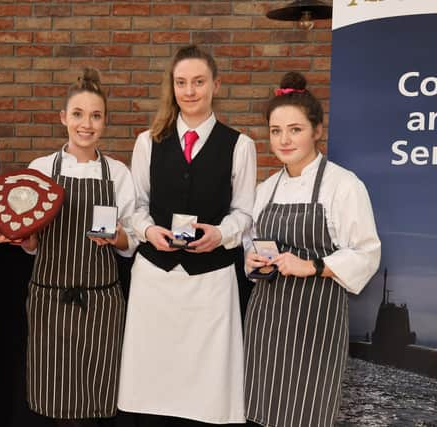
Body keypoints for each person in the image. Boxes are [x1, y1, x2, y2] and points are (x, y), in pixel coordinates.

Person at [118, 45, 256, 426]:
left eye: (198, 82)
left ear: (216, 85)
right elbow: (136, 206)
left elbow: (245, 212)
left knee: (207, 390)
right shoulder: (148, 141)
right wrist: (148, 230)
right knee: (152, 382)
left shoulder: (240, 145)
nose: (190, 91)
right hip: (155, 279)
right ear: (172, 86)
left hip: (211, 282)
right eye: (181, 83)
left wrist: (221, 234)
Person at [243, 72, 381, 427]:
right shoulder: (266, 188)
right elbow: (249, 240)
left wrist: (312, 266)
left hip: (315, 323)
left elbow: (367, 253)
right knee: (260, 412)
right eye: (276, 131)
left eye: (295, 129)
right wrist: (251, 258)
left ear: (317, 130)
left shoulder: (343, 185)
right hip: (266, 321)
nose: (284, 140)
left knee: (306, 414)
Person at [22, 68, 137, 427]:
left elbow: (131, 241)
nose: (86, 124)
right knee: (55, 401)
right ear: (63, 118)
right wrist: (27, 240)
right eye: (78, 114)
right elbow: (32, 242)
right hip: (50, 301)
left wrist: (116, 236)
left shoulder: (117, 173)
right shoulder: (40, 169)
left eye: (96, 115)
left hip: (101, 304)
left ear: (105, 121)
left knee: (95, 399)